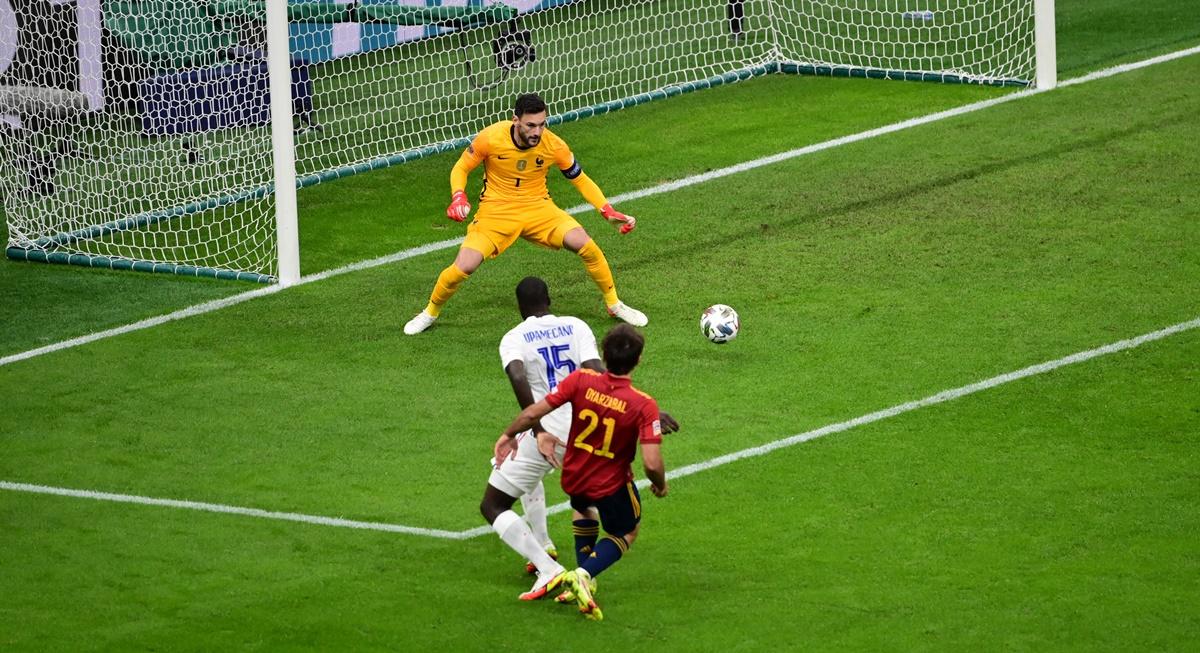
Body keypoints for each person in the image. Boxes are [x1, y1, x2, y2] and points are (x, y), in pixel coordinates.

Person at [482, 277, 677, 601]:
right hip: (591, 425)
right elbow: (598, 370)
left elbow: (517, 374)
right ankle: (551, 550)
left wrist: (536, 430)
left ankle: (548, 568)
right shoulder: (575, 326)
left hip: (548, 427)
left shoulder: (513, 337)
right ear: (550, 299)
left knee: (493, 503)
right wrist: (644, 411)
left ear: (519, 306)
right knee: (572, 496)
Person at [403, 93, 648, 335]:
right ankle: (430, 312)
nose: (537, 132)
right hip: (496, 211)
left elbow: (581, 180)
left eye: (542, 124)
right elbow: (461, 167)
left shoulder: (554, 145)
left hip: (538, 207)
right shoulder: (491, 137)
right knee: (464, 266)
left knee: (585, 244)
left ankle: (614, 304)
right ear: (515, 120)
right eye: (531, 125)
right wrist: (459, 195)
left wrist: (607, 210)